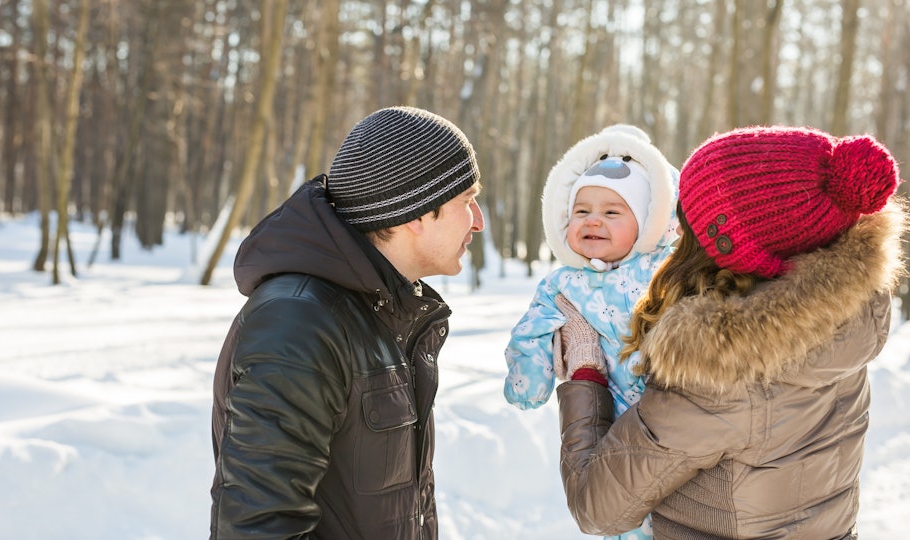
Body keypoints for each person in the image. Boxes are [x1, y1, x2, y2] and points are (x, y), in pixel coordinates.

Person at [554, 125, 904, 539]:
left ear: (724, 248)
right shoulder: (844, 318)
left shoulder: (719, 373)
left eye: (690, 220)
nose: (678, 232)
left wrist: (585, 372)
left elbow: (598, 508)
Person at [209, 106, 485, 539]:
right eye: (467, 201)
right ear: (416, 212)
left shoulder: (386, 313)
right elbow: (258, 527)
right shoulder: (299, 325)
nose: (479, 221)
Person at [504, 124, 678, 413]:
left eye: (611, 212)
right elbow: (531, 333)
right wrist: (528, 384)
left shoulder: (666, 271)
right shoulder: (561, 285)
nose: (593, 221)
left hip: (671, 410)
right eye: (582, 211)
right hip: (604, 417)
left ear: (648, 223)